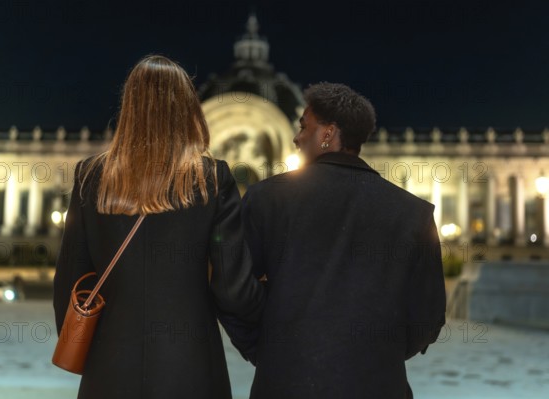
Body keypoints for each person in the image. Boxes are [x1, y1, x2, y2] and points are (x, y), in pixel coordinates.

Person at [53, 55, 265, 399]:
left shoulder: (89, 177)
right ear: (188, 109)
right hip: (191, 367)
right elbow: (232, 288)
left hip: (108, 369)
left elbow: (69, 282)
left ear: (129, 105)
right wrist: (264, 330)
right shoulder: (212, 178)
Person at [241, 82, 446, 399]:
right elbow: (428, 318)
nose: (296, 138)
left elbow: (235, 288)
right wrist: (377, 353)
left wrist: (268, 350)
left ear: (327, 133)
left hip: (285, 385)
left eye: (303, 126)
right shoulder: (413, 214)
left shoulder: (266, 198)